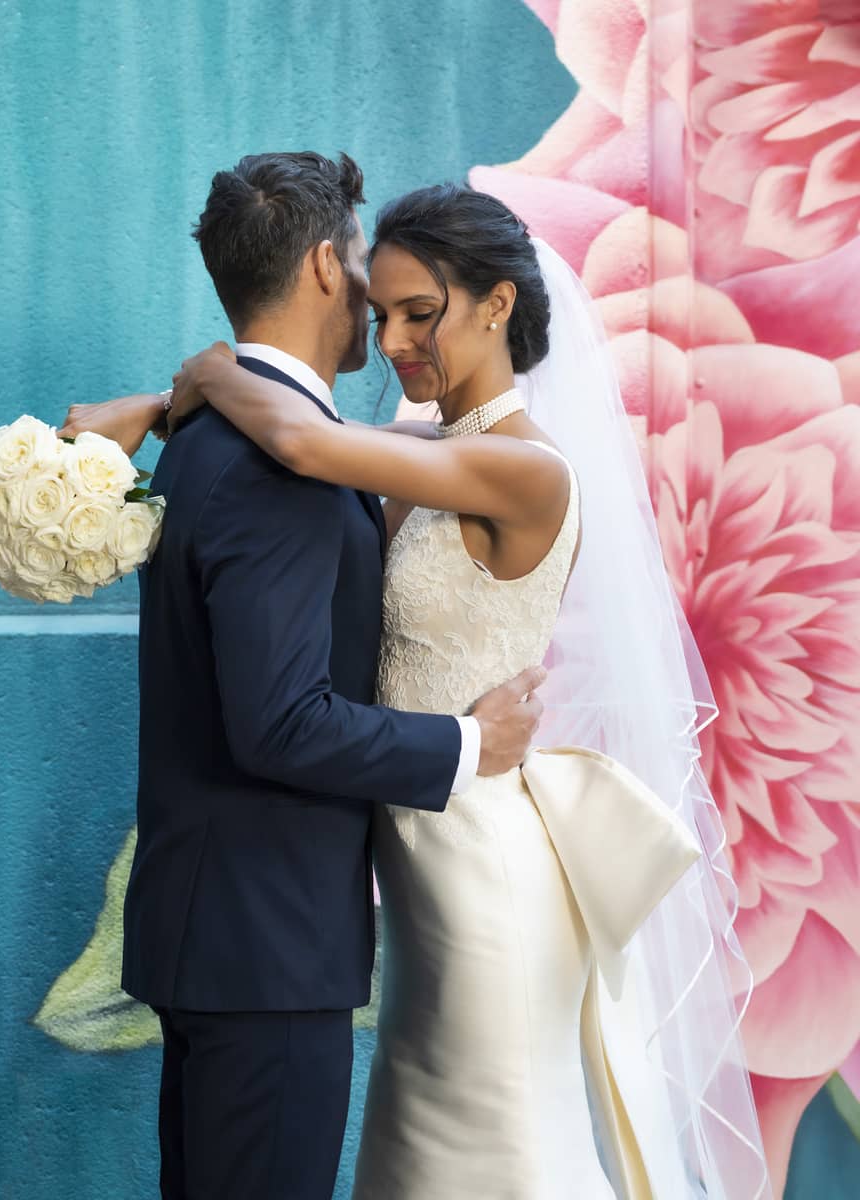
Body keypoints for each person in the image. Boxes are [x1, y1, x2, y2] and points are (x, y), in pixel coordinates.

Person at [67, 179, 771, 1197]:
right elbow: (296, 437)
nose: (394, 341)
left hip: (479, 850)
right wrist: (163, 406)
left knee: (489, 1141)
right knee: (419, 1143)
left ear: (495, 306)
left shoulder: (529, 473)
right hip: (409, 858)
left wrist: (204, 371)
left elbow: (302, 440)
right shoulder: (430, 453)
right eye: (382, 309)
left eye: (420, 313)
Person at [59, 154, 546, 1200]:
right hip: (269, 951)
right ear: (328, 265)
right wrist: (469, 743)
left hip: (229, 934)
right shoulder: (280, 462)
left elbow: (305, 438)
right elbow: (280, 723)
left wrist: (180, 386)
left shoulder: (221, 441)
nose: (382, 309)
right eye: (368, 266)